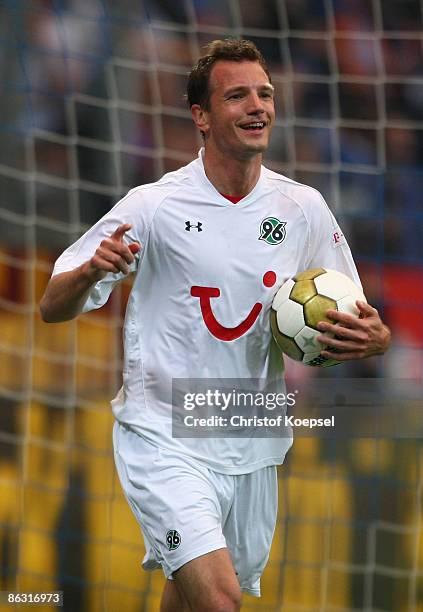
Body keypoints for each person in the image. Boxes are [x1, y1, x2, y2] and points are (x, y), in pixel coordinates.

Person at [40, 39, 391, 612]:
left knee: (188, 600)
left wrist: (375, 339)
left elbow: (357, 317)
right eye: (237, 96)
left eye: (265, 94)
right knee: (222, 603)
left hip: (252, 439)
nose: (258, 107)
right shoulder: (153, 206)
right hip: (164, 436)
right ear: (201, 116)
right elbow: (52, 305)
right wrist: (89, 273)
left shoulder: (302, 208)